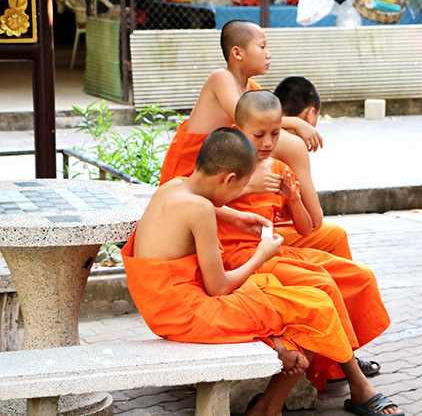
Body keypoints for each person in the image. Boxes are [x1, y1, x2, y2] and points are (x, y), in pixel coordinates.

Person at [122, 128, 354, 416]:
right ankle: (272, 394)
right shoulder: (199, 211)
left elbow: (198, 204)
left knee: (274, 287)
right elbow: (218, 288)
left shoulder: (173, 186)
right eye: (240, 188)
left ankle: (279, 358)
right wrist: (261, 255)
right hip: (185, 314)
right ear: (229, 178)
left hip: (162, 305)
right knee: (316, 306)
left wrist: (234, 216)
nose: (239, 195)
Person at [222, 90, 392, 398]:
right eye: (258, 135)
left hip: (273, 249)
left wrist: (294, 198)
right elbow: (195, 200)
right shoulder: (225, 164)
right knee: (323, 285)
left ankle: (338, 360)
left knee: (359, 276)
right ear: (238, 129)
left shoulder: (277, 168)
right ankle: (355, 379)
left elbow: (305, 225)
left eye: (275, 134)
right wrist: (246, 187)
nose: (267, 143)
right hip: (240, 258)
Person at [158, 21, 348, 260]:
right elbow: (243, 116)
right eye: (262, 47)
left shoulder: (252, 88)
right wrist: (296, 123)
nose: (269, 55)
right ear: (237, 53)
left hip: (231, 194)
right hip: (193, 185)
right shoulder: (221, 79)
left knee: (334, 239)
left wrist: (290, 199)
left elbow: (260, 118)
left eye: (274, 134)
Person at [270, 76, 353, 259]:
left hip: (246, 225)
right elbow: (315, 218)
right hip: (258, 233)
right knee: (334, 235)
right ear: (310, 113)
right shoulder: (290, 143)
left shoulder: (246, 125)